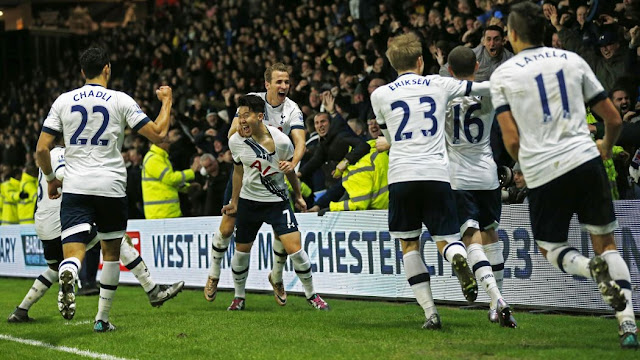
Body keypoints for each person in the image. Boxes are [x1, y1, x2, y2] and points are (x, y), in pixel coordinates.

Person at [490, 2, 638, 349]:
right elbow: (613, 119)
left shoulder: (504, 76)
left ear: (511, 35)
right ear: (545, 30)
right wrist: (604, 145)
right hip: (586, 160)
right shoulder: (574, 61)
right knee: (607, 244)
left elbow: (511, 139)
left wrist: (528, 163)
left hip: (545, 169)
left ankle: (590, 269)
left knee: (550, 245)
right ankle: (627, 323)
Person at [35, 47, 173, 332]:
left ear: (82, 72)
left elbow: (41, 148)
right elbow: (159, 134)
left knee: (73, 252)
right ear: (107, 69)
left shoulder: (63, 101)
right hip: (110, 185)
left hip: (76, 187)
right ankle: (102, 320)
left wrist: (50, 178)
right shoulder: (120, 100)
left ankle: (70, 271)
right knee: (111, 251)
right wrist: (167, 101)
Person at [371, 32, 491, 330]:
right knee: (447, 239)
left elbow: (387, 138)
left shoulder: (380, 94)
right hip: (437, 174)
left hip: (402, 175)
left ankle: (431, 314)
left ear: (392, 63)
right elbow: (482, 88)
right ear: (421, 60)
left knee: (409, 245)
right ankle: (457, 258)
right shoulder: (438, 83)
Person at [8, 145, 184, 323]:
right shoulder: (60, 154)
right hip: (59, 223)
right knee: (117, 239)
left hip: (43, 226)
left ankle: (21, 310)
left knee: (56, 268)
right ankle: (152, 291)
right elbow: (62, 176)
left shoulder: (48, 157)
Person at [205, 63, 306, 306]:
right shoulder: (252, 103)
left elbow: (300, 141)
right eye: (279, 81)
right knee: (228, 226)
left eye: (286, 82)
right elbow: (232, 132)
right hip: (248, 171)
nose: (284, 86)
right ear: (267, 84)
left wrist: (294, 162)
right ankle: (214, 273)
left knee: (282, 232)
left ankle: (277, 277)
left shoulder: (292, 109)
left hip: (277, 174)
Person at [222, 95, 329, 311]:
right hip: (249, 202)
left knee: (296, 250)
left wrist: (297, 196)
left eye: (246, 116)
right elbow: (237, 171)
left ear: (260, 117)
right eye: (239, 116)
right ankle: (239, 297)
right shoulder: (235, 142)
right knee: (241, 252)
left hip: (277, 201)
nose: (241, 121)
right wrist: (234, 201)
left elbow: (290, 172)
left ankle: (312, 295)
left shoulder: (281, 141)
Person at [444, 46, 516, 328]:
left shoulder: (443, 94)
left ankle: (497, 298)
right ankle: (495, 305)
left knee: (470, 237)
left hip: (458, 176)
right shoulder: (490, 89)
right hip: (486, 173)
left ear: (449, 70)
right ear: (477, 65)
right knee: (490, 234)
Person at [141, 129, 202, 219]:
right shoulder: (154, 159)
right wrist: (192, 171)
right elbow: (170, 178)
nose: (170, 145)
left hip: (165, 212)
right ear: (160, 143)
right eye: (168, 142)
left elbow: (167, 183)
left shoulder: (160, 157)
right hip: (161, 214)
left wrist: (186, 187)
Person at [439, 25, 513, 82]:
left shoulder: (510, 60)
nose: (492, 43)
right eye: (488, 39)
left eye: (496, 40)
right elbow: (444, 70)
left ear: (503, 41)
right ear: (483, 41)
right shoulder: (471, 54)